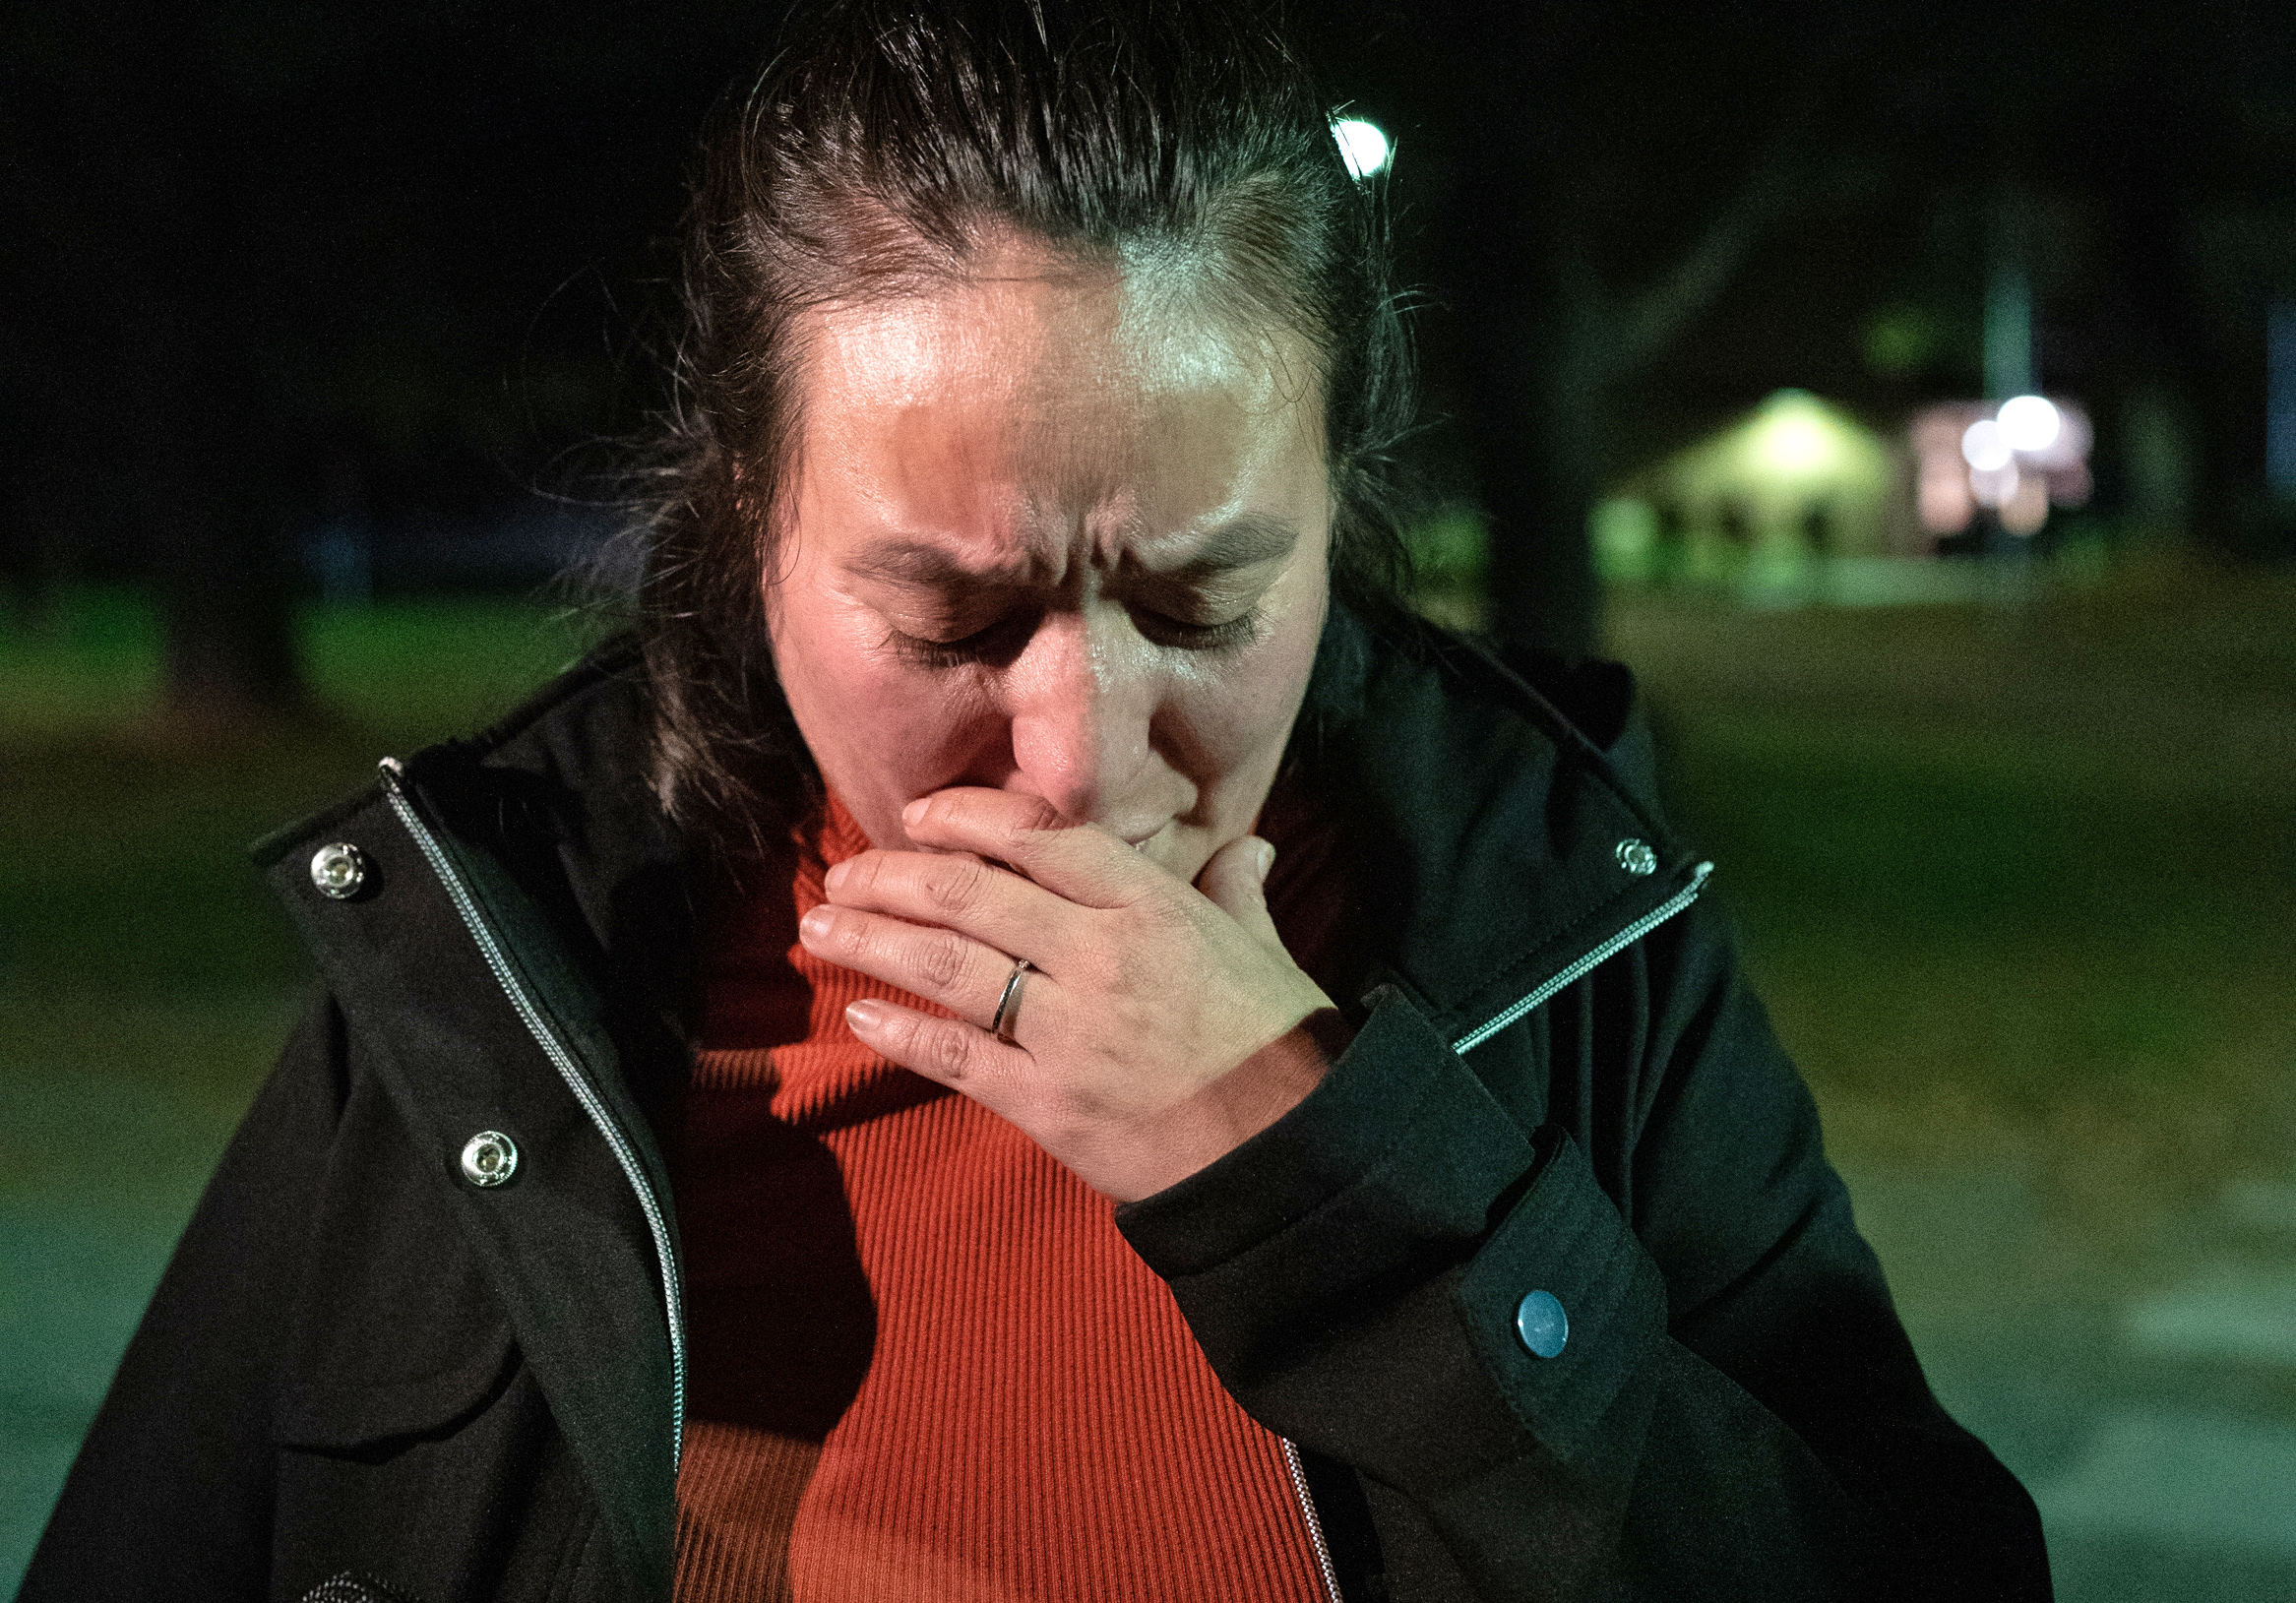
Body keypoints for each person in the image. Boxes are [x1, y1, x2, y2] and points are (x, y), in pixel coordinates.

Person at [22, 2, 2052, 1599]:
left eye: (1205, 595)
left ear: (1343, 516)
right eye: (950, 617)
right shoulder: (502, 964)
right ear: (753, 533)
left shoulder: (1567, 925)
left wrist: (1326, 1163)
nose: (1081, 754)